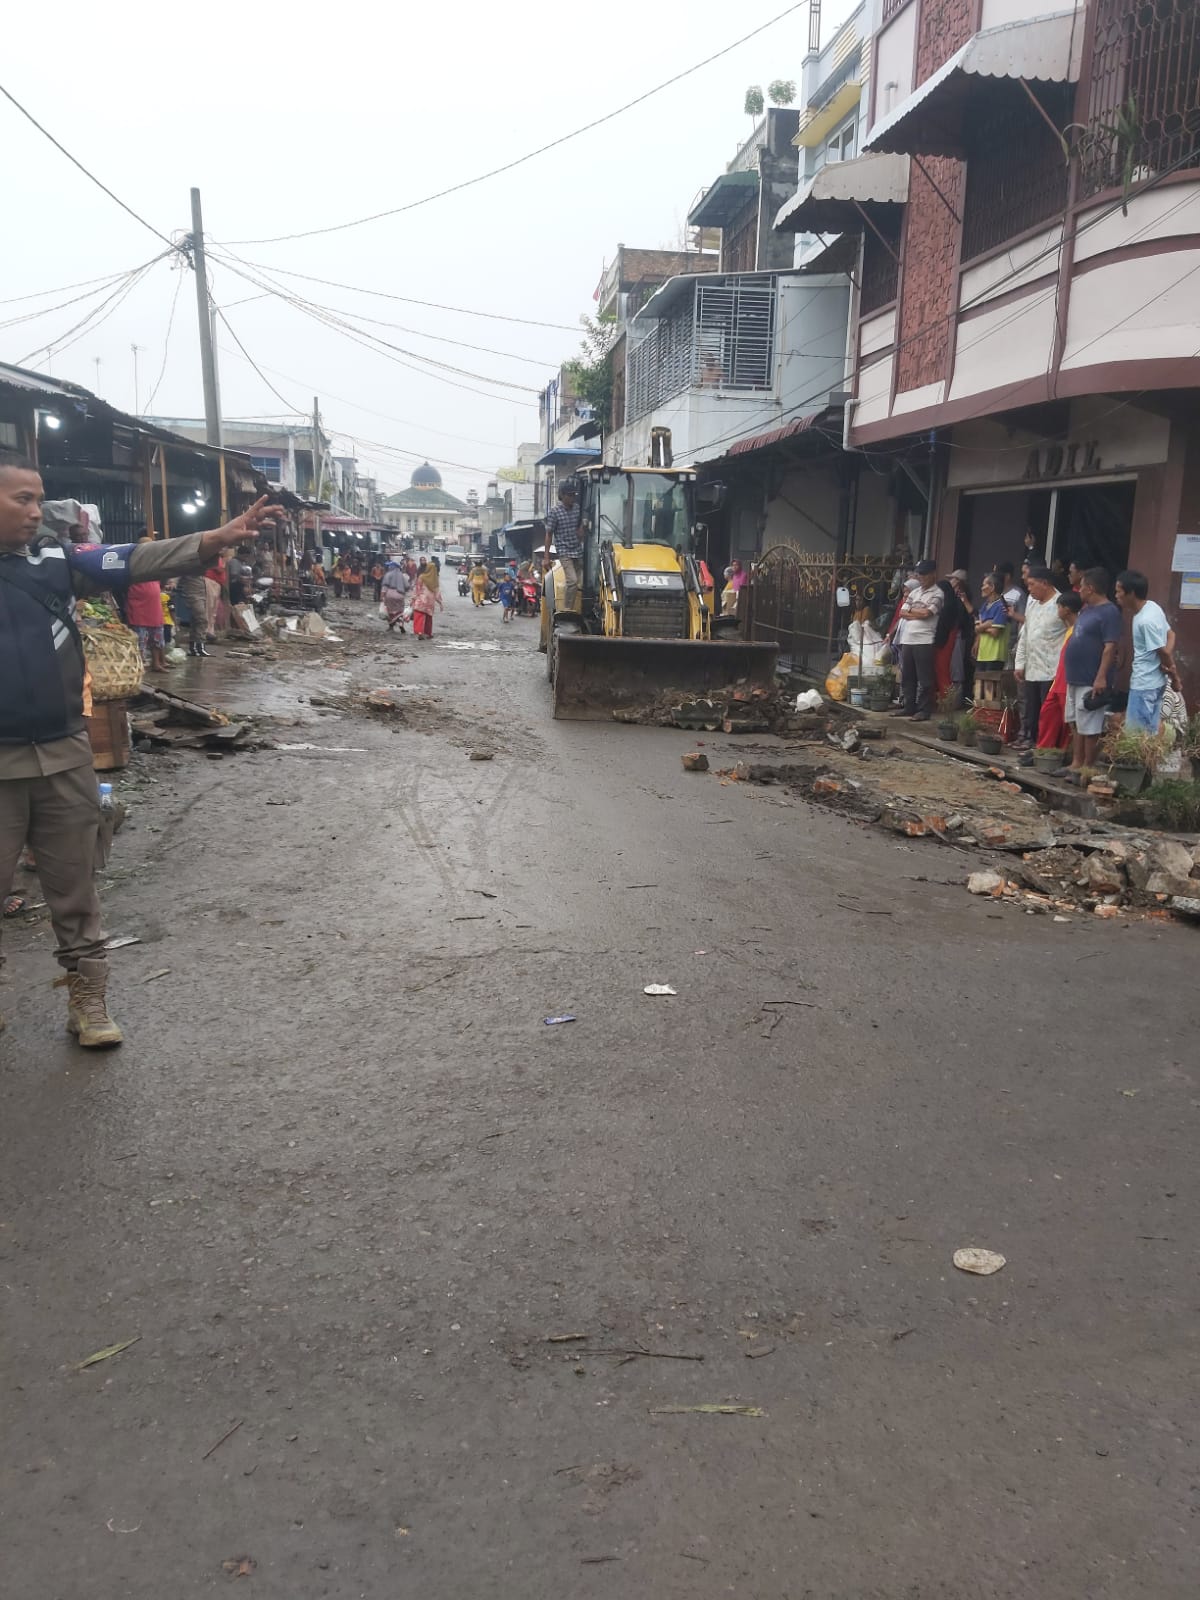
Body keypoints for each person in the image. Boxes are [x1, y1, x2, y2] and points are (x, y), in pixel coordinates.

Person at [0, 461, 275, 1046]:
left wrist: (211, 540)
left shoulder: (53, 563)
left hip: (64, 755)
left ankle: (89, 997)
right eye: (24, 499)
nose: (36, 511)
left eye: (39, 499)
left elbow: (128, 560)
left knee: (74, 886)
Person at [1061, 566, 1123, 775]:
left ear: (1091, 588)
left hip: (1091, 677)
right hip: (1074, 675)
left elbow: (1110, 647)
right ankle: (1076, 762)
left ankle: (1088, 766)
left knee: (1089, 724)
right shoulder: (1087, 610)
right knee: (1074, 721)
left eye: (1082, 587)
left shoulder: (1109, 612)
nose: (1079, 591)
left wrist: (1101, 677)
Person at [1115, 568, 1181, 733]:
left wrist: (1175, 678)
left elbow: (1164, 653)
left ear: (1131, 593)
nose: (1116, 595)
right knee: (1148, 734)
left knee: (1136, 736)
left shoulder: (1145, 621)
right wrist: (1167, 664)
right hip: (1155, 683)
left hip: (1144, 684)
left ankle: (1142, 760)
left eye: (1119, 591)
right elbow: (1171, 635)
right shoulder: (1152, 607)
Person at [1012, 565, 1068, 748]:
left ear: (1044, 584)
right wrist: (1019, 663)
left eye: (1032, 584)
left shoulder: (1061, 603)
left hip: (1052, 668)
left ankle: (1044, 745)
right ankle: (1029, 739)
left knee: (1047, 710)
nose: (1029, 589)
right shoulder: (1032, 603)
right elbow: (1025, 634)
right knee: (1031, 707)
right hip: (1032, 666)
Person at [895, 559, 943, 720]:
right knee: (908, 676)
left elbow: (928, 613)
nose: (921, 577)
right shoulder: (915, 593)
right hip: (908, 639)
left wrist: (913, 612)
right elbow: (902, 612)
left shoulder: (938, 593)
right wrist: (918, 611)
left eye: (924, 574)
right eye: (919, 574)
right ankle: (909, 706)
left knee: (925, 678)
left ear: (933, 574)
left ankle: (923, 709)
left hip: (924, 640)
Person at [1036, 589, 1082, 749]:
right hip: (1058, 681)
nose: (1058, 611)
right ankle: (1044, 749)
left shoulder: (1080, 629)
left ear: (1067, 609)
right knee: (1048, 713)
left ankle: (1063, 752)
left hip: (1068, 681)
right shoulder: (1069, 628)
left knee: (1068, 721)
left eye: (1059, 607)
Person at [123, 540, 168, 674]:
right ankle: (139, 665)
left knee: (157, 638)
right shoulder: (132, 562)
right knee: (140, 641)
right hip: (138, 606)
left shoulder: (155, 562)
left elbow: (163, 580)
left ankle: (156, 663)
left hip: (154, 606)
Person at [541, 481, 582, 611]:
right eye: (569, 495)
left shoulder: (577, 508)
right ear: (562, 495)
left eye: (573, 495)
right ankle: (566, 609)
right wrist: (546, 557)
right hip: (564, 551)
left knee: (580, 583)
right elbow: (549, 534)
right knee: (573, 581)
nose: (572, 498)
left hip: (578, 550)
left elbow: (580, 528)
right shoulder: (555, 511)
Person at [974, 572, 1010, 672]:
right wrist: (988, 624)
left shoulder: (1001, 606)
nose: (981, 588)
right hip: (983, 654)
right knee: (979, 686)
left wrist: (982, 627)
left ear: (992, 587)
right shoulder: (984, 605)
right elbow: (977, 627)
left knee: (990, 687)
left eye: (984, 585)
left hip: (995, 656)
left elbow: (995, 632)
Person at [411, 559, 443, 639]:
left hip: (421, 600)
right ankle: (428, 633)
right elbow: (437, 593)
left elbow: (417, 589)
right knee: (429, 618)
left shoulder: (422, 577)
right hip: (430, 602)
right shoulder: (435, 580)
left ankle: (420, 632)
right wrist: (440, 603)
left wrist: (413, 598)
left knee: (419, 616)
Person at [381, 558, 410, 632]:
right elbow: (407, 586)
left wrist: (382, 596)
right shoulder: (403, 576)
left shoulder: (388, 575)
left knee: (390, 611)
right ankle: (401, 624)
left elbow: (385, 587)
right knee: (400, 611)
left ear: (392, 567)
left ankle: (391, 626)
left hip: (389, 595)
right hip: (400, 596)